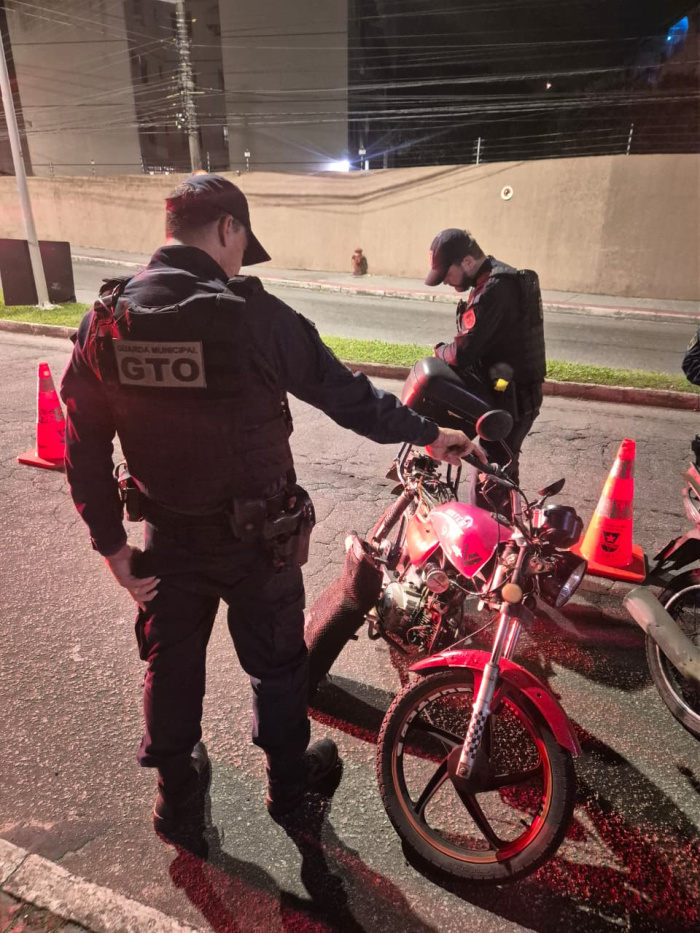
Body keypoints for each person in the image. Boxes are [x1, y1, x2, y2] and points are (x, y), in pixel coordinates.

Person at [60, 175, 484, 841]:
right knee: (278, 668)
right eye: (239, 246)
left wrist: (112, 546)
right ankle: (290, 793)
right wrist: (429, 433)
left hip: (164, 539)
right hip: (260, 542)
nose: (238, 261)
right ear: (227, 229)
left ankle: (177, 797)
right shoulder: (253, 316)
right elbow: (347, 396)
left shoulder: (108, 319)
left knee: (169, 663)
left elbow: (81, 444)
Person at [424, 228, 546, 513]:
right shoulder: (495, 280)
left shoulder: (494, 288)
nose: (446, 282)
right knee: (494, 468)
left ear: (466, 261)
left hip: (513, 397)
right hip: (509, 390)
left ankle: (497, 544)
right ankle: (501, 536)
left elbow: (462, 353)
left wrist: (439, 350)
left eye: (447, 275)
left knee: (492, 476)